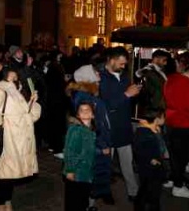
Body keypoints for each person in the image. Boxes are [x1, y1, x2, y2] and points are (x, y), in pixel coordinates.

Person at [0, 68, 41, 211]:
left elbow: (29, 117)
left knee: (11, 176)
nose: (16, 79)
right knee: (5, 177)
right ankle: (0, 206)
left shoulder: (18, 94)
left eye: (16, 76)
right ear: (6, 78)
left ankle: (7, 203)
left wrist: (33, 102)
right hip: (8, 140)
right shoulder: (2, 91)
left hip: (19, 140)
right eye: (12, 76)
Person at [68, 64, 113, 206]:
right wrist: (102, 145)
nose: (99, 75)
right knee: (90, 177)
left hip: (98, 142)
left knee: (92, 177)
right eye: (95, 73)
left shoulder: (88, 96)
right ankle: (88, 205)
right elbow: (91, 127)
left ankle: (89, 203)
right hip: (96, 144)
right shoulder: (86, 100)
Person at [99, 46, 140, 201]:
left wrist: (134, 93)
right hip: (108, 128)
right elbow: (106, 105)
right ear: (111, 60)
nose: (124, 67)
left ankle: (133, 192)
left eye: (125, 64)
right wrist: (126, 94)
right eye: (121, 63)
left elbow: (126, 101)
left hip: (123, 126)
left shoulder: (123, 76)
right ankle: (104, 192)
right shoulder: (100, 78)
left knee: (127, 164)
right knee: (105, 165)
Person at [164, 63, 189, 199]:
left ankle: (171, 179)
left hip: (170, 121)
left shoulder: (171, 78)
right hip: (183, 124)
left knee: (174, 155)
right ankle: (178, 186)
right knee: (181, 157)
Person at [63, 101, 96, 211]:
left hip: (86, 174)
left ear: (93, 115)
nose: (85, 112)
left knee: (82, 201)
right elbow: (69, 151)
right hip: (76, 173)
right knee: (73, 203)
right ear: (78, 115)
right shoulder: (76, 129)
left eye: (88, 110)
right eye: (82, 110)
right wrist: (70, 170)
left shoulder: (91, 131)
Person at [133, 108, 167, 211]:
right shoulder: (144, 133)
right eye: (163, 117)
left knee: (149, 190)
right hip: (149, 168)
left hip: (154, 167)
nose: (165, 119)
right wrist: (151, 160)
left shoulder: (155, 130)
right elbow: (139, 150)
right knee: (149, 191)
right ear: (157, 119)